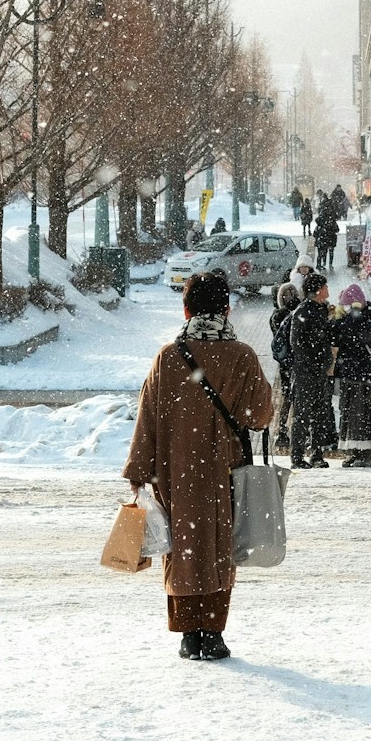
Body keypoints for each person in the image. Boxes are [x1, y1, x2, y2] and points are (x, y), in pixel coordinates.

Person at [123, 271, 274, 662]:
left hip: (176, 472)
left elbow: (148, 420)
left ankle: (189, 634)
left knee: (183, 549)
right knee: (220, 547)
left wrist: (139, 473)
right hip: (226, 471)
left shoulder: (169, 358)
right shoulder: (241, 355)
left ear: (186, 308)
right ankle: (215, 633)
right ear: (226, 310)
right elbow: (260, 415)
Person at [286, 271, 338, 468]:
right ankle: (297, 457)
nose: (327, 290)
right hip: (305, 372)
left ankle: (317, 454)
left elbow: (325, 337)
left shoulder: (322, 309)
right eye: (324, 287)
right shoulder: (303, 311)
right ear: (317, 290)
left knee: (321, 414)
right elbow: (296, 344)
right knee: (302, 414)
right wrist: (315, 361)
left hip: (320, 371)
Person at [331, 283, 371, 467]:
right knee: (350, 414)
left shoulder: (366, 320)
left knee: (362, 415)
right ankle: (355, 452)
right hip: (352, 375)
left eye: (347, 306)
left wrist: (346, 319)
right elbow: (336, 335)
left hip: (363, 377)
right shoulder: (355, 320)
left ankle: (365, 455)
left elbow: (354, 336)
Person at [269, 281, 300, 449]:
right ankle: (282, 431)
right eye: (286, 295)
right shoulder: (277, 316)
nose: (290, 297)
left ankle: (293, 430)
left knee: (294, 397)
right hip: (287, 364)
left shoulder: (298, 313)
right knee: (287, 396)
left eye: (292, 294)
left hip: (296, 362)